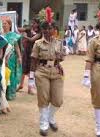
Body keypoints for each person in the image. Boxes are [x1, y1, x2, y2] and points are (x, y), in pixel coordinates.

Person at [29, 7, 66, 136]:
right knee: (43, 98)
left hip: (56, 71)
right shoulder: (38, 43)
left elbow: (61, 57)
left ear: (54, 30)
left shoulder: (60, 43)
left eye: (50, 28)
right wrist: (31, 77)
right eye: (44, 28)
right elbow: (33, 60)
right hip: (42, 71)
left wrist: (61, 56)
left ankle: (51, 117)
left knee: (58, 100)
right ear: (42, 30)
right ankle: (44, 123)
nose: (47, 30)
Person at [18, 19, 42, 94]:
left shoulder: (39, 33)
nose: (32, 24)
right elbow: (19, 29)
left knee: (32, 70)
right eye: (32, 23)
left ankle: (30, 87)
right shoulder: (29, 29)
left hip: (34, 53)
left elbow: (32, 40)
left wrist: (25, 37)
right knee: (24, 69)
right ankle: (21, 85)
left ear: (37, 24)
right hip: (26, 51)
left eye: (34, 23)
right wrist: (13, 24)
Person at [2, 19, 22, 101]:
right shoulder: (1, 35)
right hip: (2, 57)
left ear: (10, 25)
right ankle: (4, 92)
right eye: (3, 24)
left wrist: (19, 57)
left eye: (5, 23)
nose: (4, 25)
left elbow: (16, 47)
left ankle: (10, 93)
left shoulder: (14, 35)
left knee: (11, 74)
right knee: (3, 74)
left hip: (11, 58)